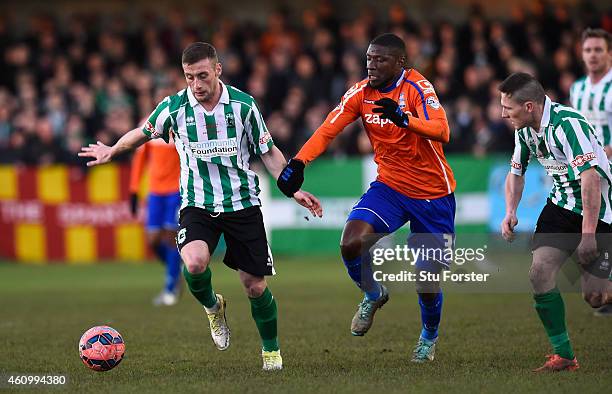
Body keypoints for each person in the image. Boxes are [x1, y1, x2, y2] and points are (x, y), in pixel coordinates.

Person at [80, 42, 323, 371]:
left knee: (254, 285)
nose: (196, 84)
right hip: (196, 203)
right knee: (194, 263)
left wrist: (293, 190)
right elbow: (142, 133)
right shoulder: (175, 107)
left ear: (218, 71)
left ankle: (271, 352)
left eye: (203, 76)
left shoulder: (243, 106)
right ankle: (213, 308)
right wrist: (112, 150)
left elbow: (269, 153)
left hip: (242, 203)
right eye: (189, 77)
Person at [277, 33, 456, 363]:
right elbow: (329, 128)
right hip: (390, 187)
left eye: (380, 59)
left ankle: (429, 335)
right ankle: (374, 294)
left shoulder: (418, 88)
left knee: (426, 279)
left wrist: (406, 120)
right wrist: (299, 161)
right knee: (350, 243)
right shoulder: (361, 92)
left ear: (400, 62)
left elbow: (443, 130)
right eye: (369, 58)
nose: (371, 65)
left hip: (433, 193)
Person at [500, 72, 612, 372]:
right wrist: (510, 210)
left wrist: (588, 235)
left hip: (598, 211)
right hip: (560, 206)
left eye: (507, 108)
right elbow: (516, 171)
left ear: (529, 107)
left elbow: (590, 180)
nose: (502, 114)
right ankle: (564, 355)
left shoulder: (568, 124)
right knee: (539, 272)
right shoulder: (524, 130)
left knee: (596, 297)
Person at [569, 28, 612, 317]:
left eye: (598, 49)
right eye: (588, 50)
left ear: (609, 53)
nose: (593, 55)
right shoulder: (578, 89)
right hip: (590, 173)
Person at [129, 134, 182, 306]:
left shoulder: (179, 120)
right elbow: (140, 160)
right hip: (155, 193)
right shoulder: (149, 124)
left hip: (176, 190)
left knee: (171, 237)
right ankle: (176, 270)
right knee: (152, 240)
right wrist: (134, 190)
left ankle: (170, 288)